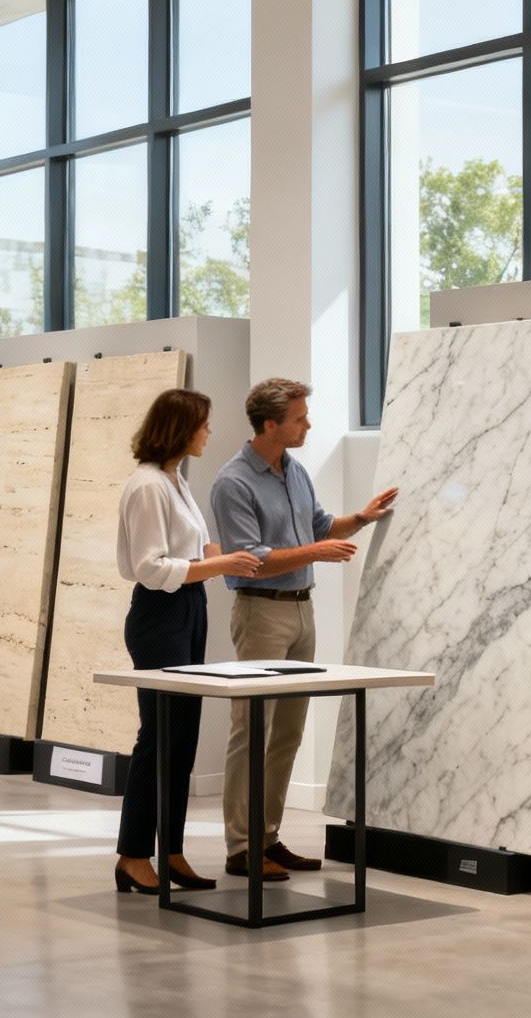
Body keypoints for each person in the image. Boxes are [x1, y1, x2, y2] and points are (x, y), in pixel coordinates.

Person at [210, 379, 398, 881]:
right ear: (270, 424)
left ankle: (268, 837)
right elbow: (249, 560)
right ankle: (240, 846)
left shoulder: (294, 471)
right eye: (299, 418)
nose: (307, 424)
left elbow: (317, 526)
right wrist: (315, 553)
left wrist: (360, 517)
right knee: (251, 730)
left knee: (288, 732)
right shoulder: (233, 482)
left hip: (300, 611)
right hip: (261, 613)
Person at [112, 388, 263, 894]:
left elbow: (198, 547)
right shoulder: (148, 486)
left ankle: (169, 850)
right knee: (158, 738)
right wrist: (220, 564)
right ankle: (133, 855)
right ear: (179, 428)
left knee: (183, 738)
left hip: (188, 609)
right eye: (203, 424)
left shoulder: (176, 481)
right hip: (160, 615)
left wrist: (237, 558)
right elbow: (149, 567)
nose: (208, 432)